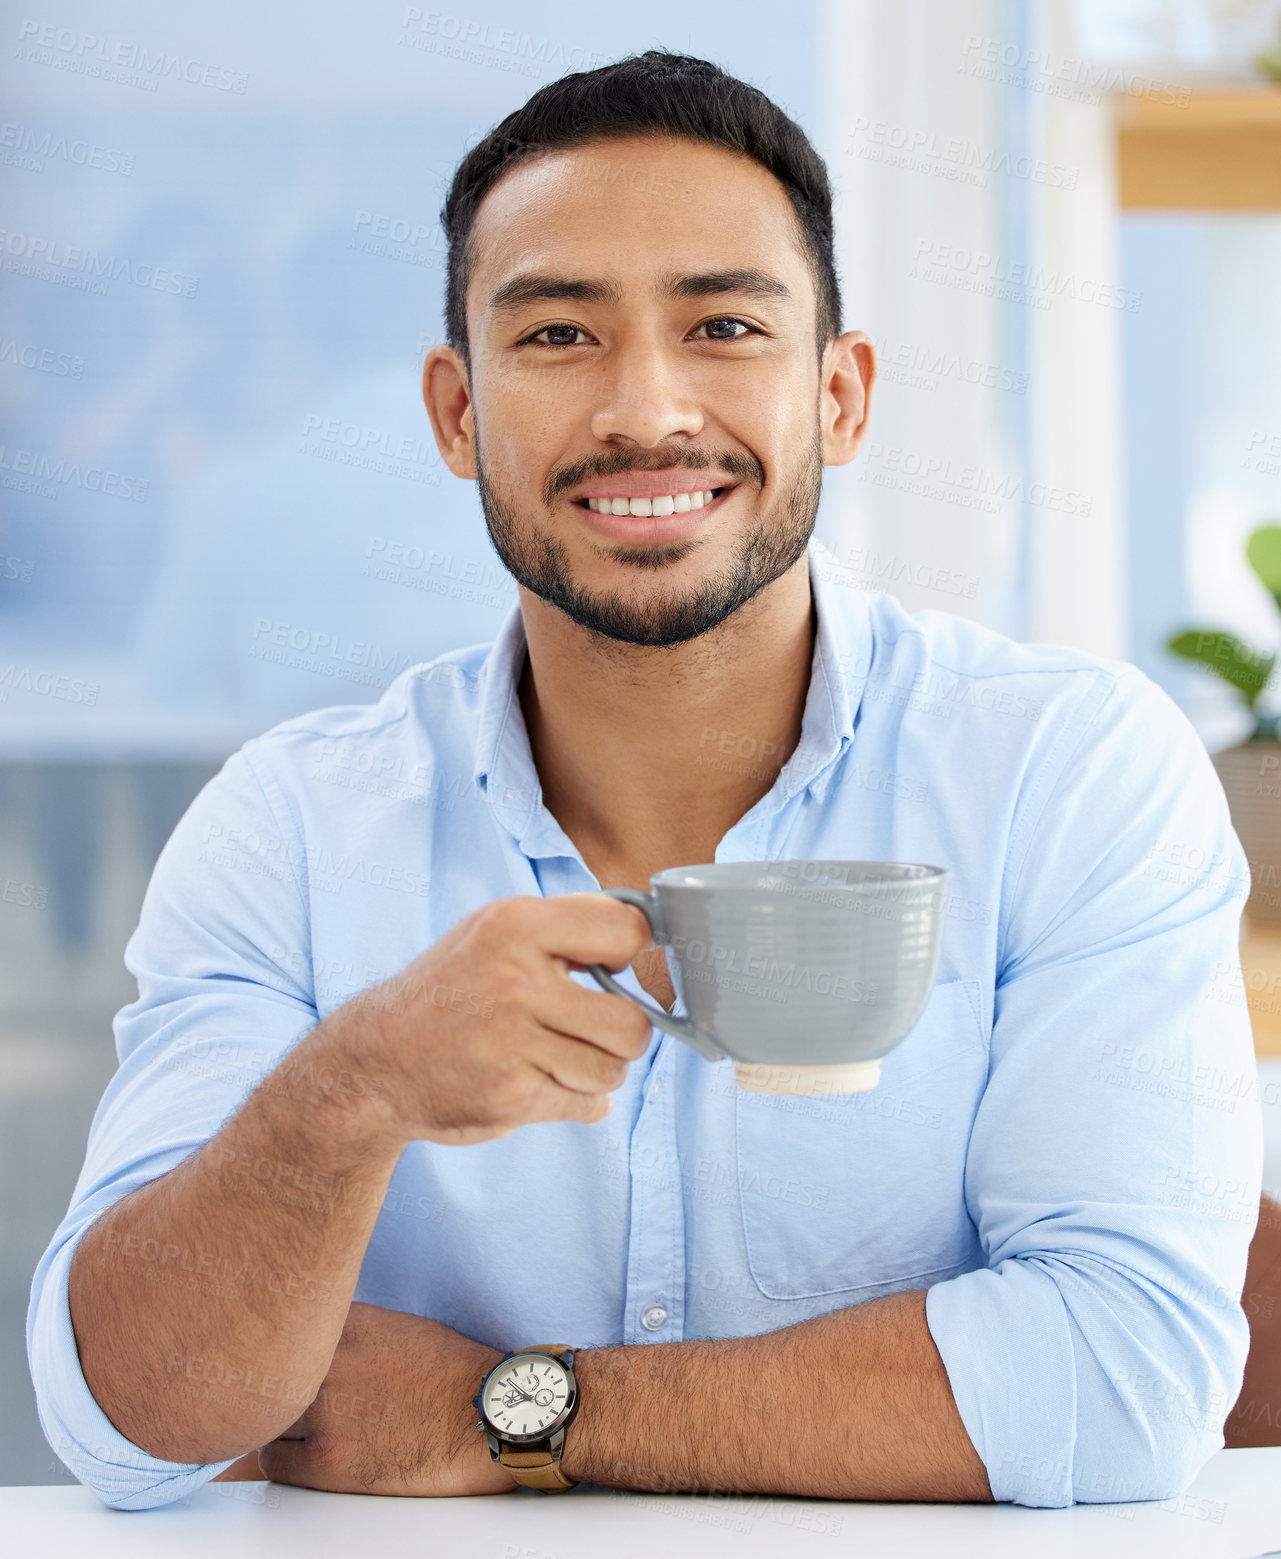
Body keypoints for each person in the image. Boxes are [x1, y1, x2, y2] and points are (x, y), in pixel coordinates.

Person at [28, 49, 1262, 1512]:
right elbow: (129, 1421)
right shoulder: (292, 826)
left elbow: (1123, 1382)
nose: (646, 409)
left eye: (723, 323)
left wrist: (508, 1414)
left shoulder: (1066, 775)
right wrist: (348, 1092)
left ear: (842, 396)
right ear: (455, 412)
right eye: (556, 335)